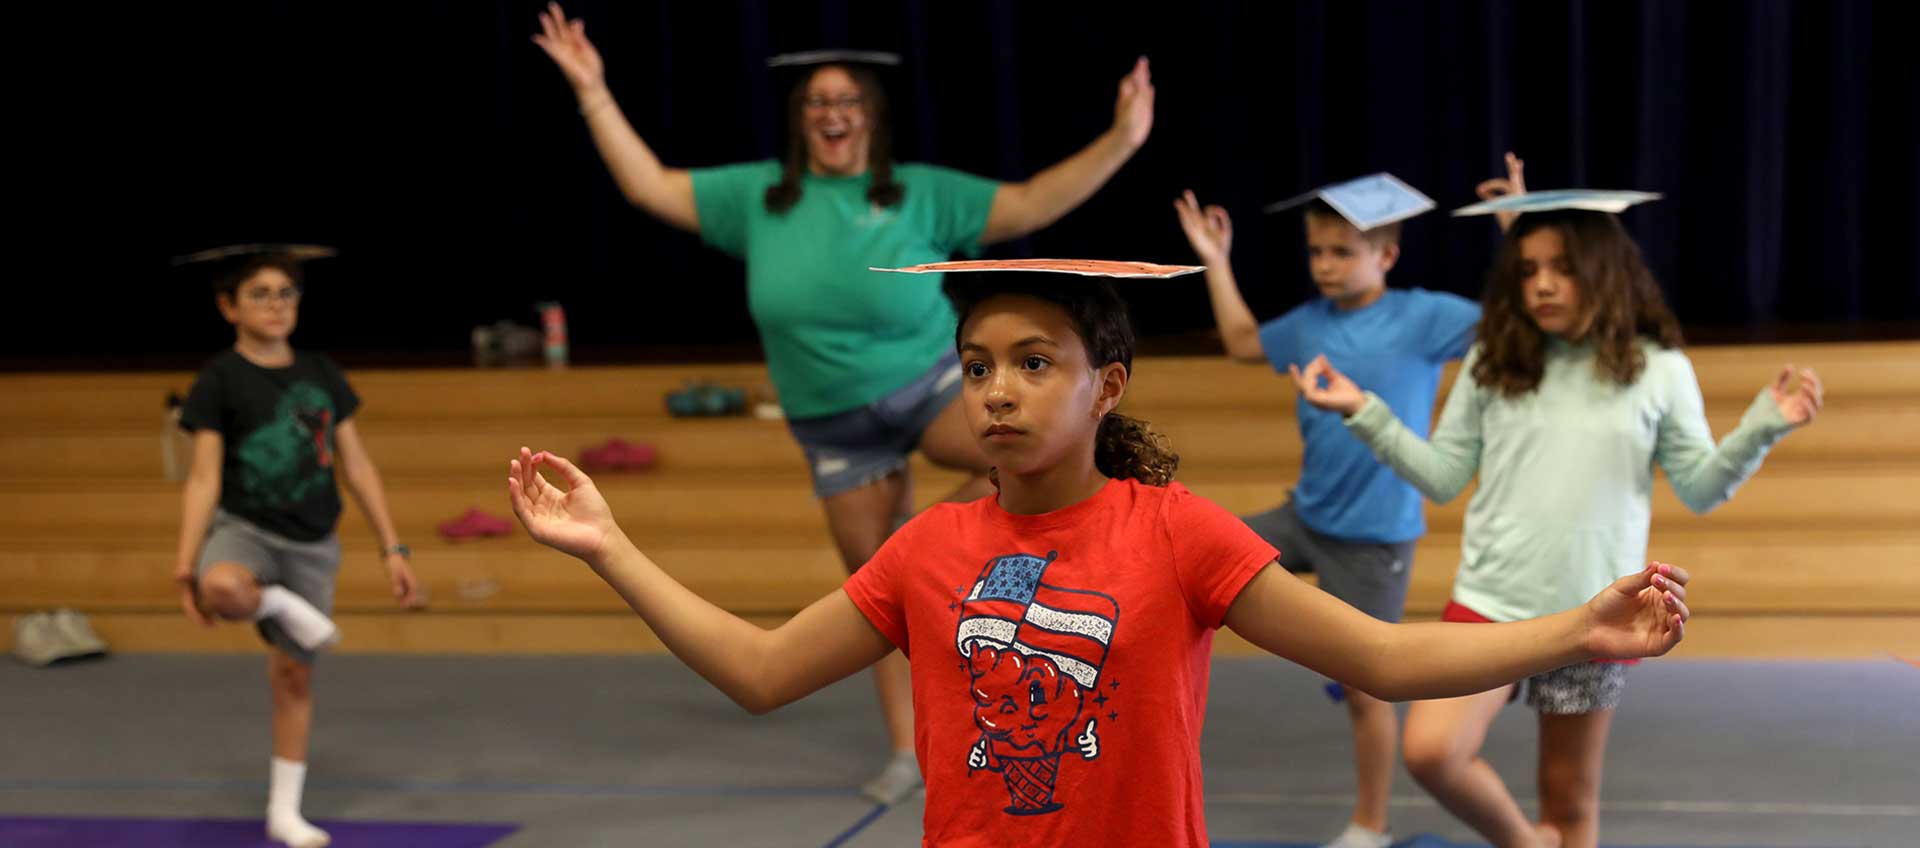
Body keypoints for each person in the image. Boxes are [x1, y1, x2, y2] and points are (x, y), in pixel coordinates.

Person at [504, 261, 1693, 846]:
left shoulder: (1173, 530)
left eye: (1035, 361)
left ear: (1105, 383)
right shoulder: (931, 547)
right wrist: (611, 544)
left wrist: (1574, 630)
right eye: (977, 367)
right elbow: (761, 670)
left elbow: (1381, 655)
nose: (998, 392)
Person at [533, 3, 1158, 801]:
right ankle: (910, 751)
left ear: (871, 117)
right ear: (802, 121)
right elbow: (649, 185)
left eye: (848, 102)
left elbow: (1031, 202)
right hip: (833, 425)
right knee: (884, 589)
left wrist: (1123, 139)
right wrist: (592, 88)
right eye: (818, 104)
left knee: (1017, 461)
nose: (833, 115)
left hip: (928, 388)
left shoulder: (920, 194)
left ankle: (947, 537)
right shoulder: (758, 196)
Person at [1292, 188, 1822, 848]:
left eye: (1562, 268)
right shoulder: (1494, 362)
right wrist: (1361, 408)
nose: (1542, 285)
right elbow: (1442, 475)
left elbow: (1701, 487)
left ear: (1604, 270)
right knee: (1431, 751)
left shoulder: (1659, 369)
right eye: (1528, 270)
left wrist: (1762, 428)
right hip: (1489, 604)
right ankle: (1524, 844)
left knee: (1569, 804)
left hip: (1596, 618)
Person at [1175, 175, 1480, 848]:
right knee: (1191, 558)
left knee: (1371, 688)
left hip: (1373, 542)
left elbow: (1511, 320)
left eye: (1343, 251)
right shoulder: (1310, 322)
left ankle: (1372, 824)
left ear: (1387, 257)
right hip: (1305, 519)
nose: (1326, 266)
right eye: (1317, 252)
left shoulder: (1424, 317)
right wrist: (1217, 259)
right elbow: (1242, 342)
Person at [173, 244, 423, 848]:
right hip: (246, 530)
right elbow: (204, 476)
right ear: (228, 306)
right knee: (223, 587)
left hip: (312, 541)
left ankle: (284, 812)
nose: (277, 305)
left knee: (292, 677)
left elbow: (357, 465)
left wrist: (394, 549)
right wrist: (185, 562)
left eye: (286, 293)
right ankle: (278, 604)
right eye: (260, 294)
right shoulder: (219, 380)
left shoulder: (321, 373)